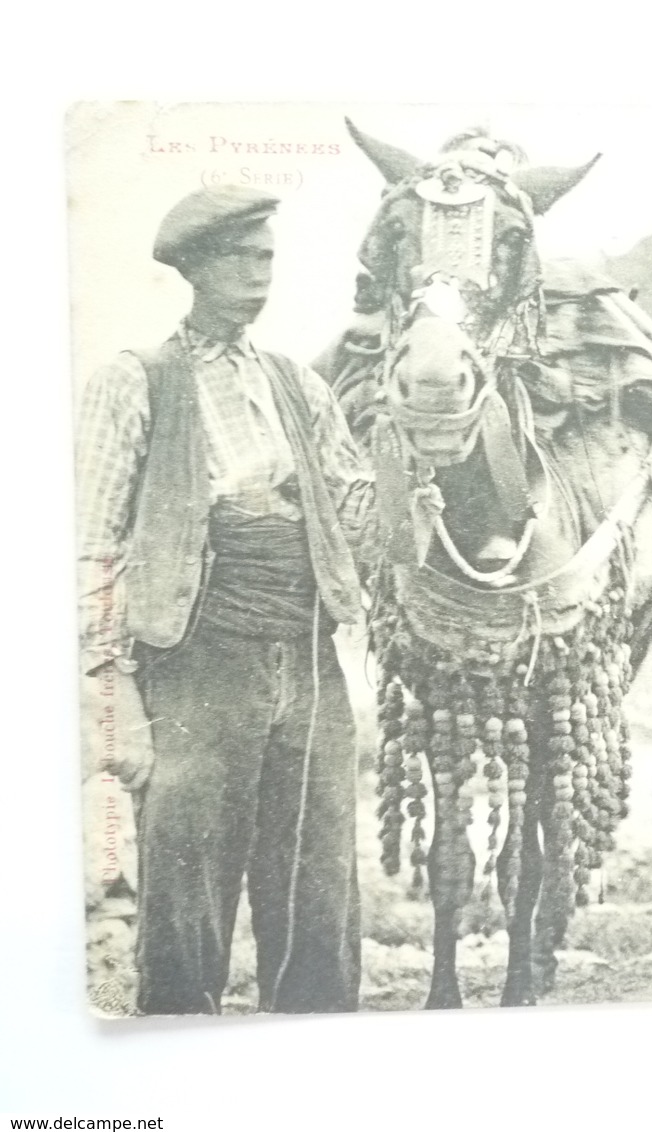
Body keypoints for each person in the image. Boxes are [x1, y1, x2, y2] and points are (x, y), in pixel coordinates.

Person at [77, 185, 374, 1014]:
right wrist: (116, 691)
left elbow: (353, 505)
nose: (260, 274)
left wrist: (412, 468)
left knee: (318, 877)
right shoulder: (135, 383)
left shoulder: (296, 386)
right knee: (187, 875)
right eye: (243, 258)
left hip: (308, 649)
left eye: (269, 258)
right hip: (197, 654)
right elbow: (96, 549)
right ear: (197, 268)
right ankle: (178, 1043)